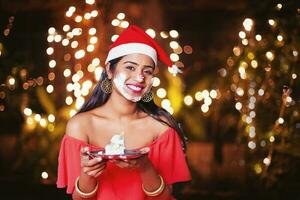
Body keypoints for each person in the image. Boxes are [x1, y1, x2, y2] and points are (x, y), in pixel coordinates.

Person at [57, 25, 191, 200]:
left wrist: (145, 166)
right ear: (110, 70)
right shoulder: (81, 126)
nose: (140, 77)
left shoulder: (161, 128)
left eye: (148, 71)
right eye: (130, 67)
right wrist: (88, 173)